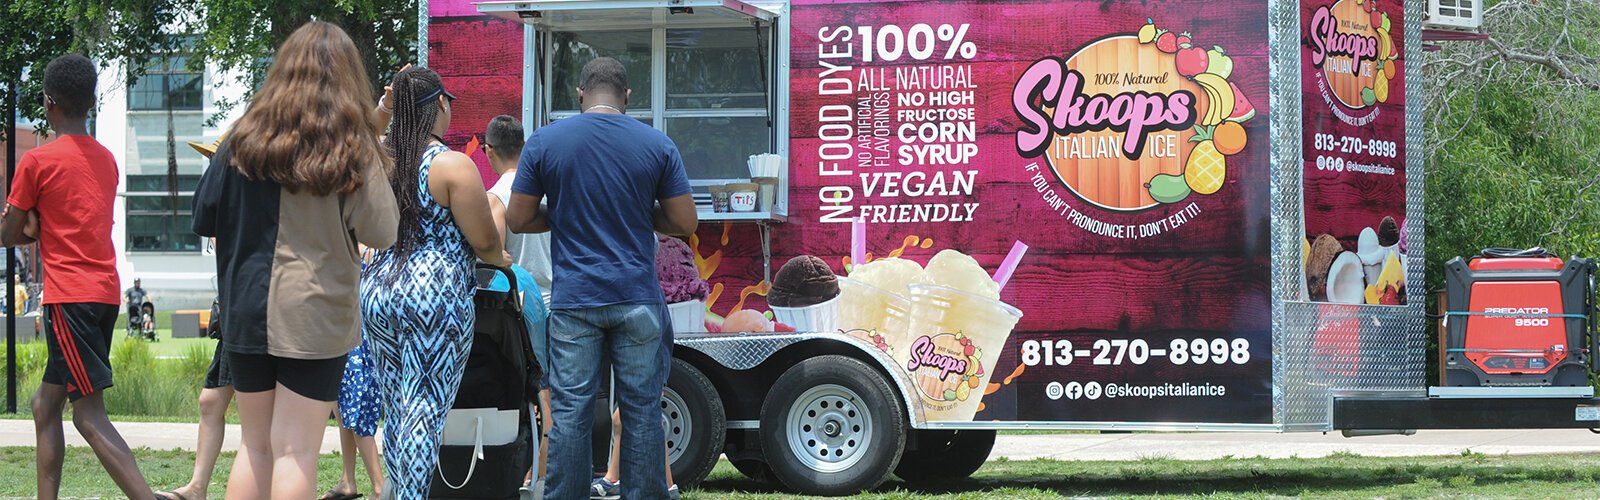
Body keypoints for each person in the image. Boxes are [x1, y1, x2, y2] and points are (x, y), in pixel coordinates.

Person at [192, 21, 399, 500]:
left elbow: (205, 214)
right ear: (348, 76)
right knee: (294, 451)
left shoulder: (241, 136)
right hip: (315, 312)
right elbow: (382, 231)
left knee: (255, 447)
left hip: (245, 306)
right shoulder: (352, 144)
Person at [505, 56, 698, 500]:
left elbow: (517, 218)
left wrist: (567, 213)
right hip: (637, 297)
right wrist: (634, 213)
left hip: (575, 300)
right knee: (642, 411)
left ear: (580, 93)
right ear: (628, 97)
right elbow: (684, 221)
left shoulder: (545, 141)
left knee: (571, 411)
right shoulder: (656, 144)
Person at [1, 53, 155, 500]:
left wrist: (29, 222)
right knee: (43, 405)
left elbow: (10, 234)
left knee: (87, 415)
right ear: (91, 102)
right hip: (104, 295)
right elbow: (77, 217)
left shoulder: (37, 162)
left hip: (69, 300)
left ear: (48, 104)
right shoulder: (106, 161)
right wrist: (39, 222)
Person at [360, 65, 509, 499]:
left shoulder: (380, 162)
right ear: (440, 104)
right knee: (424, 409)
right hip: (433, 296)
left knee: (398, 408)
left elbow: (355, 138)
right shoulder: (451, 165)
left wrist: (385, 106)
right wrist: (503, 258)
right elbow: (484, 242)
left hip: (379, 292)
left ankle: (397, 493)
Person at [155, 139, 234, 500]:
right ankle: (197, 487)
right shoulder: (225, 207)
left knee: (269, 414)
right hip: (235, 319)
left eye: (214, 161)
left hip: (252, 320)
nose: (210, 168)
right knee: (210, 402)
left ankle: (367, 481)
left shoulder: (242, 204)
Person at [480, 115, 554, 497]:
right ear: (524, 147)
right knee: (558, 393)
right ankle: (543, 472)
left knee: (532, 391)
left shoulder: (497, 196)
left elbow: (491, 254)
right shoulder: (544, 189)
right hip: (562, 299)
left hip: (523, 307)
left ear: (488, 150)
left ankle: (530, 475)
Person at [323, 248, 384, 500]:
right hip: (345, 337)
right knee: (344, 411)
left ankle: (380, 487)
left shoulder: (362, 248)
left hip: (356, 340)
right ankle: (347, 480)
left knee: (356, 414)